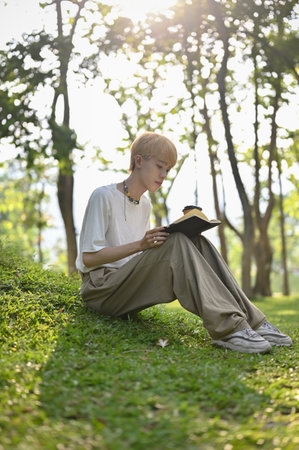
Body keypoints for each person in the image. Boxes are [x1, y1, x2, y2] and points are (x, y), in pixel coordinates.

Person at [76, 132, 292, 354]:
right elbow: (88, 258)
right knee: (177, 242)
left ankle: (253, 322)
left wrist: (160, 242)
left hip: (128, 285)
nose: (163, 175)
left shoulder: (145, 204)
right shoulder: (103, 196)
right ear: (139, 161)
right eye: (159, 166)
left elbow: (137, 259)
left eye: (167, 170)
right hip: (101, 290)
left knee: (197, 241)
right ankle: (228, 329)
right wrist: (142, 245)